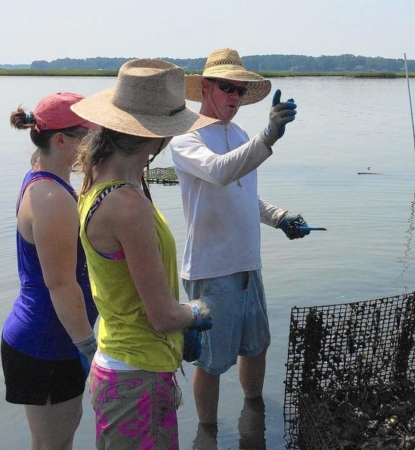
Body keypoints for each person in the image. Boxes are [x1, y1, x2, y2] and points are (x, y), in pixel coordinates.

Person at [71, 59, 213, 449]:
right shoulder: (127, 203)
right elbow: (162, 314)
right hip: (138, 381)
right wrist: (197, 312)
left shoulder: (98, 179)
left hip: (120, 366)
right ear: (159, 138)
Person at [169, 47, 309, 426]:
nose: (234, 96)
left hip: (249, 263)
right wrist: (268, 137)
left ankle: (254, 413)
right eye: (226, 88)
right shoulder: (187, 138)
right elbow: (220, 172)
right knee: (211, 362)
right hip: (211, 268)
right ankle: (209, 433)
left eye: (239, 90)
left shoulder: (243, 133)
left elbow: (244, 192)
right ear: (206, 89)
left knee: (257, 346)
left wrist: (280, 218)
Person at [0, 92, 99, 450]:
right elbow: (60, 284)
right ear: (61, 140)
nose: (95, 144)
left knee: (54, 443)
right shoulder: (51, 198)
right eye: (87, 137)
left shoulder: (43, 174)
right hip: (49, 344)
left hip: (47, 341)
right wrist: (90, 347)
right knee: (53, 445)